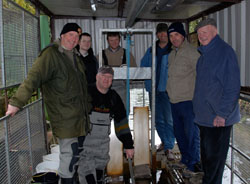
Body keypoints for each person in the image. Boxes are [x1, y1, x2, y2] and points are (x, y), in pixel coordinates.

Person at [5, 23, 90, 184]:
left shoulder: (75, 56)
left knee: (75, 155)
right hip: (64, 117)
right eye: (70, 35)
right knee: (69, 156)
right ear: (62, 35)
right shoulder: (51, 54)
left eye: (77, 37)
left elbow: (82, 88)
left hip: (79, 118)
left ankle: (69, 180)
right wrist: (16, 102)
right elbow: (33, 77)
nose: (74, 39)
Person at [193, 18, 240, 184]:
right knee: (207, 163)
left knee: (214, 165)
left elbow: (233, 87)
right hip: (205, 119)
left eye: (205, 32)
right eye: (199, 34)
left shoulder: (225, 53)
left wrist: (222, 114)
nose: (202, 36)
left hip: (218, 120)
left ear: (215, 32)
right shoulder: (204, 56)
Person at [78, 66, 134, 184]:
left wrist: (129, 145)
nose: (106, 79)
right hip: (85, 146)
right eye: (103, 76)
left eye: (109, 77)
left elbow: (122, 123)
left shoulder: (113, 97)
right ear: (97, 77)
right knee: (88, 177)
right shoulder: (86, 93)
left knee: (99, 177)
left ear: (112, 80)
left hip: (102, 148)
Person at [166, 22, 201, 175]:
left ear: (183, 36)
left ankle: (193, 165)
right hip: (174, 101)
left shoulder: (193, 53)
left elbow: (201, 76)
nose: (174, 38)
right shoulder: (172, 54)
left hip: (188, 101)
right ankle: (185, 160)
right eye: (171, 36)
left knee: (191, 134)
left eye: (176, 35)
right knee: (179, 133)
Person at [140, 23, 175, 160]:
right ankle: (165, 142)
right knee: (157, 119)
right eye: (159, 33)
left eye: (164, 32)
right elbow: (143, 66)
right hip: (153, 89)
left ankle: (170, 147)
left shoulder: (173, 50)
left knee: (169, 119)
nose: (162, 35)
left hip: (168, 90)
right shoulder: (151, 50)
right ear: (157, 35)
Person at [97, 32, 137, 110]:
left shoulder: (127, 54)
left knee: (122, 117)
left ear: (119, 40)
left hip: (123, 90)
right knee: (104, 116)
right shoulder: (101, 55)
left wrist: (128, 80)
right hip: (106, 91)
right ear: (107, 41)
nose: (114, 42)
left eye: (116, 40)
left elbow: (134, 71)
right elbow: (96, 73)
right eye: (111, 40)